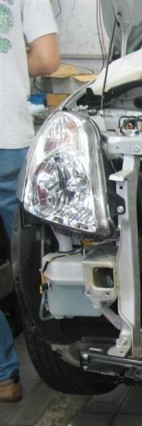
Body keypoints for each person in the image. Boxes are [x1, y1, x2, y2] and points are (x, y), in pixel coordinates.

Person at [0, 0, 60, 402]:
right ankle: (65, 358)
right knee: (38, 263)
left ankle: (4, 377)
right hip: (9, 138)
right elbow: (47, 58)